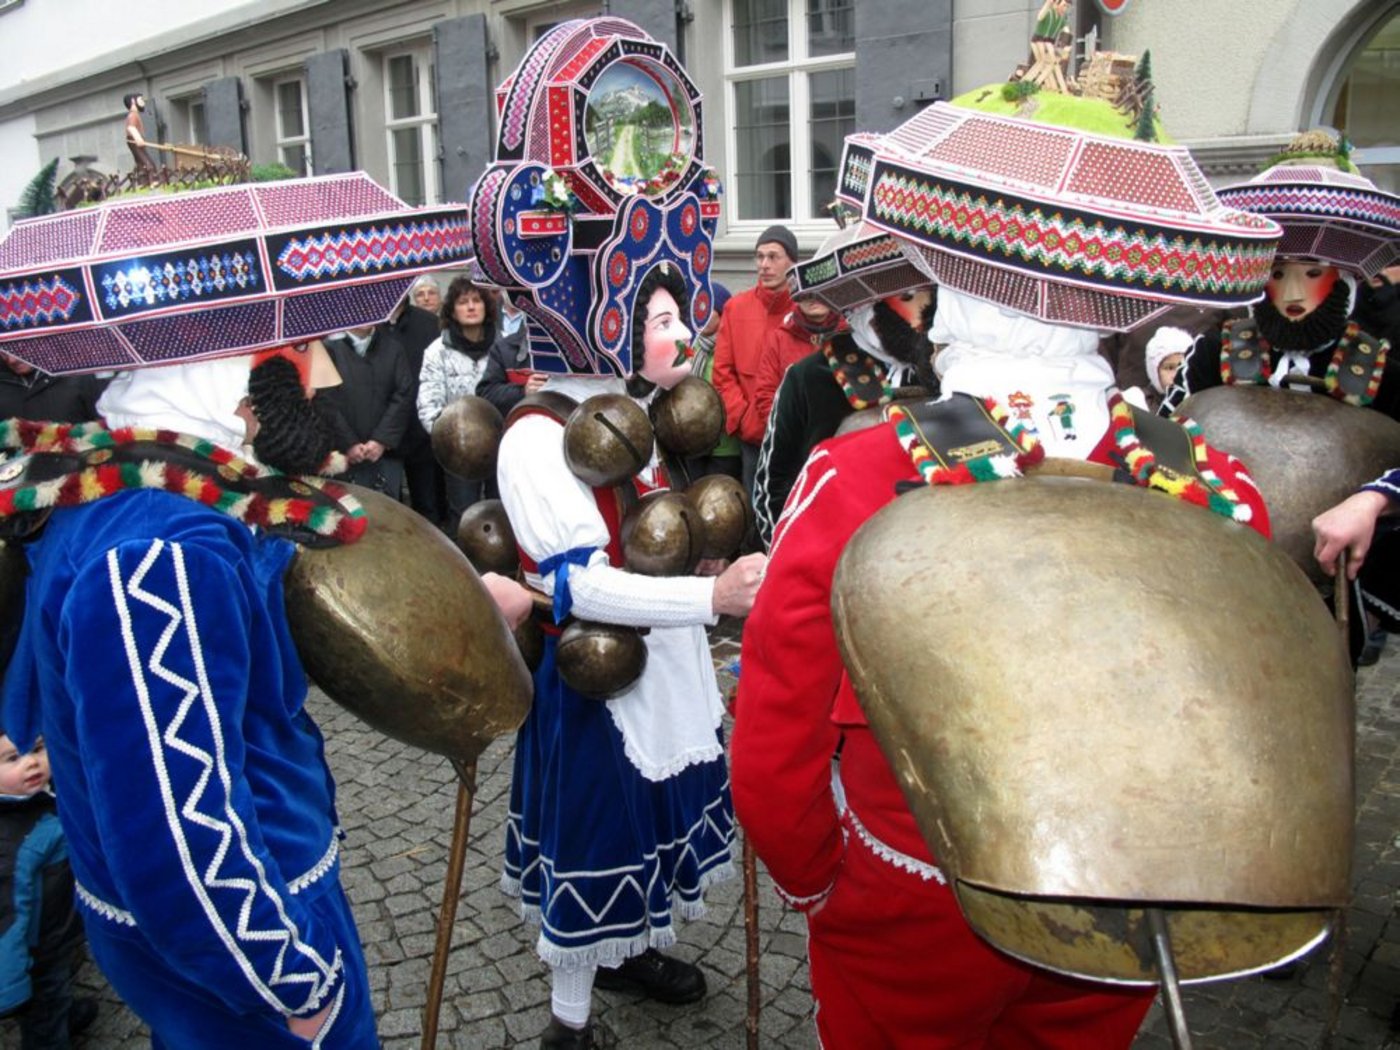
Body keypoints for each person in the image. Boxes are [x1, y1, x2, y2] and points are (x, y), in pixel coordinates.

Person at [732, 72, 1277, 1049]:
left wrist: (822, 881)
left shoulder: (858, 472)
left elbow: (777, 739)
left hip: (911, 898)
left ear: (951, 287)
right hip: (1120, 897)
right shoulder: (1204, 477)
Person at [0, 353, 380, 1048]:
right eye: (291, 358)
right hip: (250, 956)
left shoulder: (133, 481)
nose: (315, 378)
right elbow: (173, 831)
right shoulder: (160, 552)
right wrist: (294, 983)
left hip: (219, 934)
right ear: (227, 382)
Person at [497, 263, 766, 1050]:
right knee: (597, 838)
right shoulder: (536, 438)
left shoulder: (623, 411)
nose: (681, 334)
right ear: (597, 321)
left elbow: (648, 537)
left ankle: (634, 949)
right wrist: (711, 603)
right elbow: (582, 585)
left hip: (664, 662)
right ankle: (568, 1027)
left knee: (651, 822)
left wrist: (696, 565)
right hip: (596, 685)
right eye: (656, 320)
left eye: (672, 316)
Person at [753, 285, 933, 550]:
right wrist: (791, 558)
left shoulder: (943, 375)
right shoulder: (808, 377)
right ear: (865, 305)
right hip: (829, 557)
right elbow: (773, 484)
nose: (922, 310)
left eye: (927, 294)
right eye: (905, 295)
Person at [0, 731, 96, 1050]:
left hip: (60, 930)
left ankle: (63, 1012)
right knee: (45, 1008)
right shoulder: (11, 843)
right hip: (38, 950)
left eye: (38, 749)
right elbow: (7, 915)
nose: (32, 764)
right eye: (13, 759)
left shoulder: (44, 796)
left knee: (59, 986)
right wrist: (10, 987)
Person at [711, 226, 797, 495]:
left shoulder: (804, 309)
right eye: (760, 257)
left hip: (796, 436)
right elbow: (723, 371)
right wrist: (744, 418)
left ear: (792, 262)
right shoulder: (736, 308)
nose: (764, 265)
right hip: (753, 437)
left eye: (774, 257)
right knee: (755, 510)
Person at [418, 277, 507, 523]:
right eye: (463, 302)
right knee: (466, 517)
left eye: (476, 300)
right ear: (452, 310)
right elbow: (428, 405)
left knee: (504, 513)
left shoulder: (504, 346)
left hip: (501, 446)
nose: (470, 307)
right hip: (460, 450)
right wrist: (450, 440)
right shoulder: (437, 352)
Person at [319, 325, 416, 496]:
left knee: (388, 516)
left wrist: (381, 440)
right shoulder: (327, 348)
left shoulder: (393, 348)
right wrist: (348, 443)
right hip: (341, 455)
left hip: (385, 454)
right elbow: (324, 400)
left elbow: (404, 394)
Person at [381, 297, 448, 525]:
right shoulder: (370, 324)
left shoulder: (430, 323)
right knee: (388, 508)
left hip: (421, 433)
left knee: (427, 506)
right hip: (382, 432)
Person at [679, 282, 741, 483]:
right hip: (690, 442)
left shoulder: (733, 347)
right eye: (697, 309)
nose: (701, 315)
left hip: (725, 446)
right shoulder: (687, 346)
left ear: (722, 313)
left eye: (708, 309)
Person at [0, 354, 107, 423]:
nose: (11, 360)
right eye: (3, 351)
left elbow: (105, 425)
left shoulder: (79, 372)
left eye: (17, 348)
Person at [122, 93, 156, 173]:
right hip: (134, 141)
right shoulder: (133, 115)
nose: (143, 102)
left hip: (134, 141)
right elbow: (131, 127)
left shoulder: (135, 114)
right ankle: (152, 182)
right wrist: (138, 138)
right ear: (133, 101)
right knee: (149, 165)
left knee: (141, 164)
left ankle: (142, 177)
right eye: (141, 100)